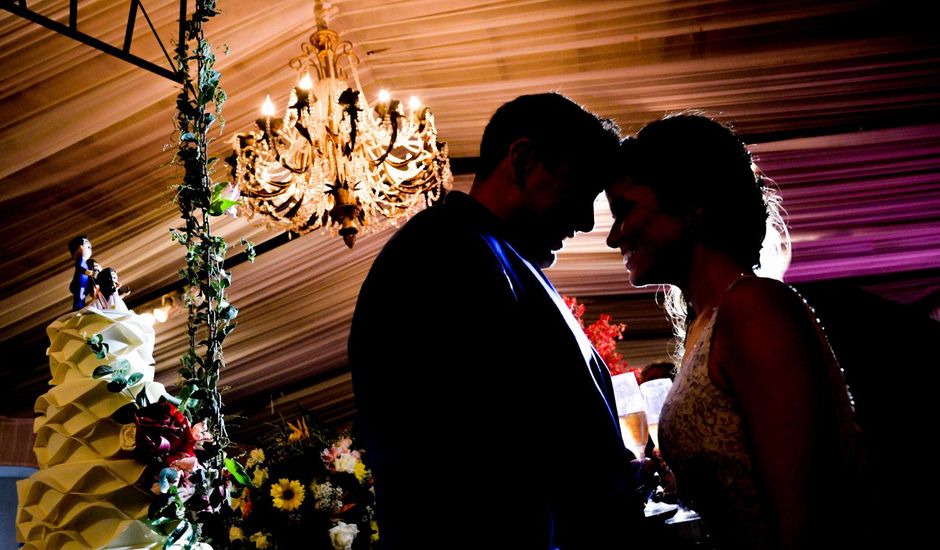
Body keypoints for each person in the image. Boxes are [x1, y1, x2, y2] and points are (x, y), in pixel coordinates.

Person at [349, 93, 648, 549]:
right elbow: (481, 457)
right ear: (525, 160)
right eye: (576, 190)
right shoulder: (447, 255)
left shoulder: (485, 253)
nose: (586, 221)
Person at [604, 113, 870, 548]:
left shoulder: (754, 307)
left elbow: (810, 520)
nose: (614, 238)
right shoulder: (704, 325)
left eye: (625, 210)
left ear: (691, 202)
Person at [68, 236, 99, 311]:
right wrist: (85, 271)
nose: (90, 250)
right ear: (80, 247)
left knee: (81, 297)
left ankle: (79, 309)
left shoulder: (86, 263)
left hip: (84, 284)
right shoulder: (80, 260)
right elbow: (78, 267)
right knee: (79, 298)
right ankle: (77, 310)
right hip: (79, 284)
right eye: (88, 247)